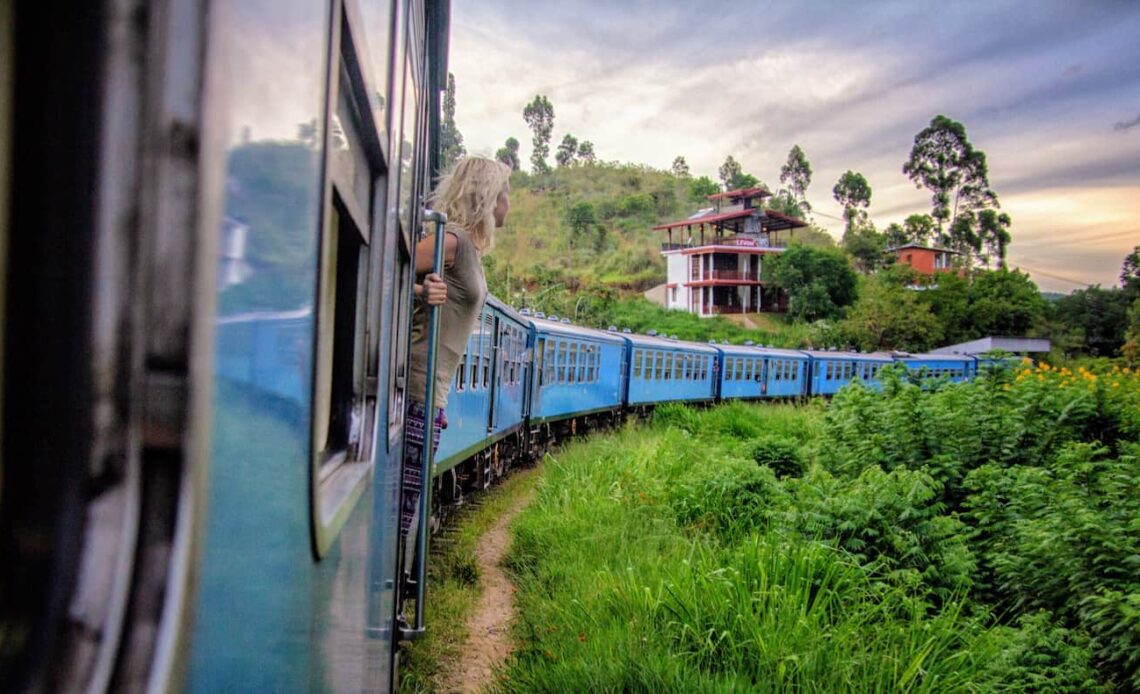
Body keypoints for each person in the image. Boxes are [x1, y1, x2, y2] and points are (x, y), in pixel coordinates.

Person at [401, 156, 511, 536]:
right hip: (419, 384)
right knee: (403, 505)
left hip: (434, 391)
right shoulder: (454, 241)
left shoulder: (471, 251)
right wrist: (420, 290)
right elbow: (388, 264)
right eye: (504, 194)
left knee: (409, 499)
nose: (508, 204)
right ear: (487, 196)